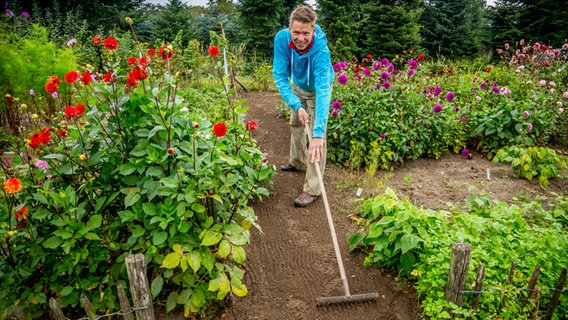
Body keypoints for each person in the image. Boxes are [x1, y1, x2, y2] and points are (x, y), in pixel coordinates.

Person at [272, 6, 334, 207]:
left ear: (313, 31)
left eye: (306, 33)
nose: (300, 38)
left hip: (317, 91)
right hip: (297, 85)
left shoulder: (321, 52)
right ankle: (297, 161)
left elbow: (324, 92)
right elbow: (280, 76)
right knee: (295, 123)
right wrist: (297, 105)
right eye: (296, 32)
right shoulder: (281, 40)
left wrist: (317, 134)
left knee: (317, 142)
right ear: (289, 28)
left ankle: (313, 188)